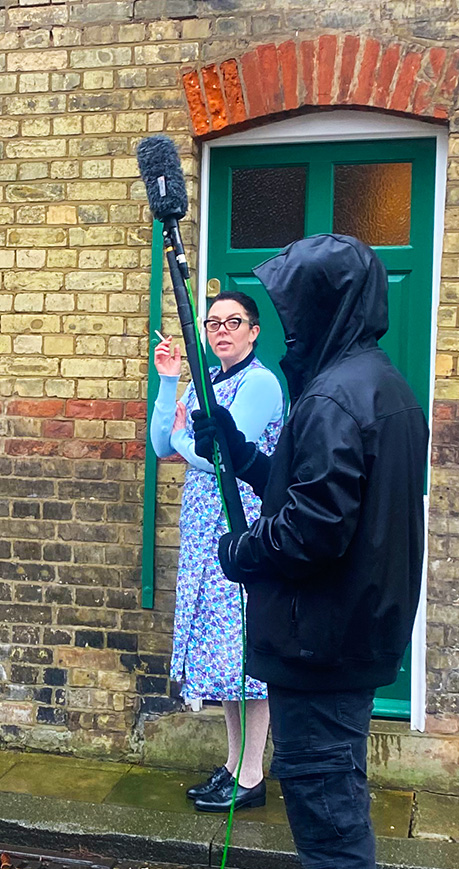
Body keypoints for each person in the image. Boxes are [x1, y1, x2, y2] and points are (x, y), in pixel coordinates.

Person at [200, 235, 427, 869]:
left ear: (324, 307)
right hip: (349, 632)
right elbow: (315, 496)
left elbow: (312, 530)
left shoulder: (335, 396)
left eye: (294, 310)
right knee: (334, 801)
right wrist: (238, 452)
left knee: (328, 813)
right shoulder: (379, 386)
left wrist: (242, 551)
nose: (288, 327)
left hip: (322, 638)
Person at [148, 291, 285, 812]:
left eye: (234, 322)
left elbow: (227, 457)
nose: (222, 330)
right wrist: (167, 381)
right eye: (213, 322)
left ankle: (252, 777)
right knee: (225, 660)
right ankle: (234, 766)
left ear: (254, 331)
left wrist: (186, 436)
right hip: (206, 534)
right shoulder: (207, 381)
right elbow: (163, 444)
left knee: (245, 656)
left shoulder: (261, 383)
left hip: (242, 529)